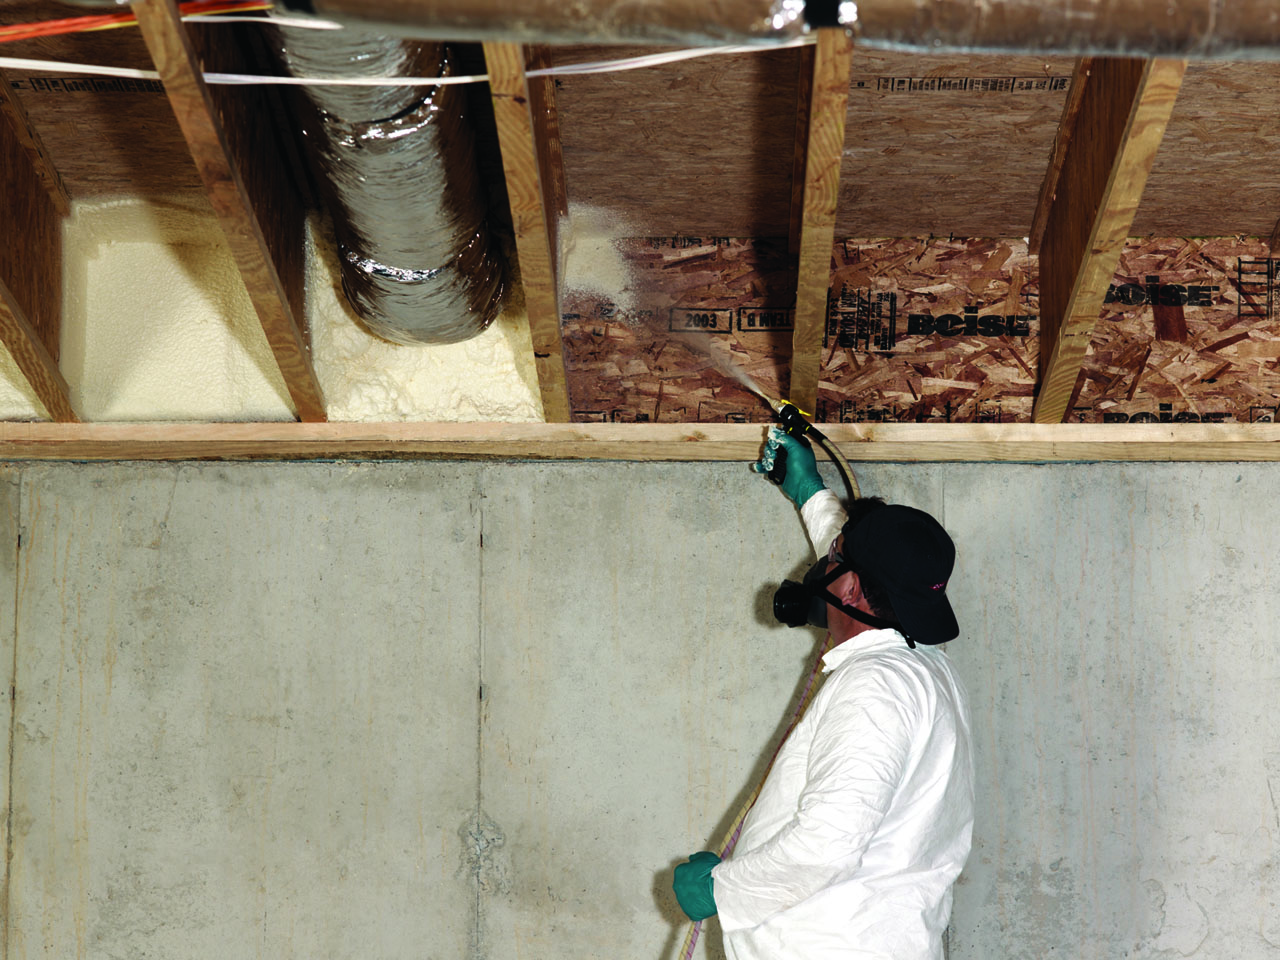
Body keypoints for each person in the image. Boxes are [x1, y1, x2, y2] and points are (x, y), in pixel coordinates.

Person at [672, 428, 975, 960]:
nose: (822, 569)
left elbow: (828, 842)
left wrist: (719, 889)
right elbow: (864, 564)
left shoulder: (874, 688)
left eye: (833, 561)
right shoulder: (927, 665)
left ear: (854, 589)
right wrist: (809, 491)